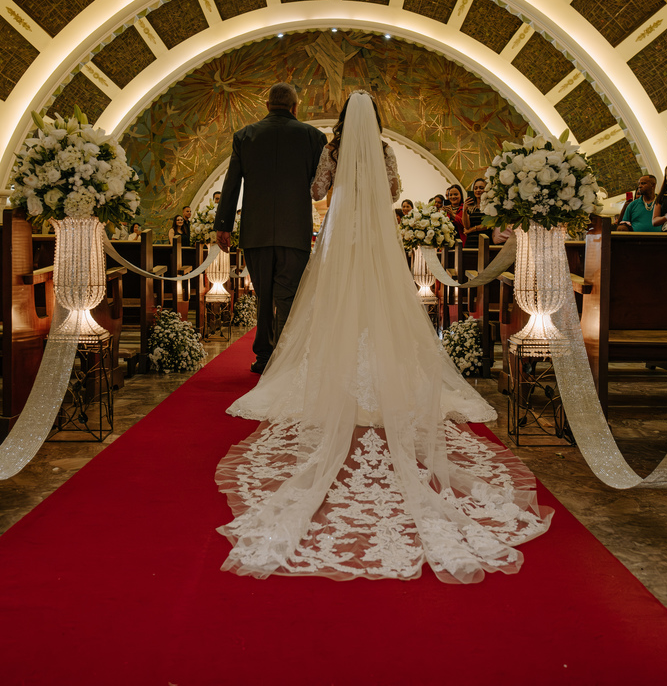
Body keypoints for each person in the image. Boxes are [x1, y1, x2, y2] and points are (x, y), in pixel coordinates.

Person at [217, 90, 552, 584]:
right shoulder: (385, 149)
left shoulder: (329, 148)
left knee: (334, 301)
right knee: (379, 299)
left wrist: (331, 180)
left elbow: (317, 192)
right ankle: (383, 363)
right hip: (377, 236)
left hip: (339, 236)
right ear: (375, 119)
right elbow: (393, 193)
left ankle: (318, 363)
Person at [214, 82, 326, 374]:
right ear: (295, 107)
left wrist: (224, 225)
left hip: (256, 231)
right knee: (288, 295)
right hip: (295, 230)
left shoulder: (245, 136)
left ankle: (264, 356)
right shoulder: (313, 137)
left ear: (267, 106)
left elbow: (232, 182)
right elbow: (320, 185)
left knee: (263, 296)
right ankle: (287, 358)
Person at [464, 177, 490, 247]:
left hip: (485, 241)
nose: (478, 190)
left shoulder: (490, 205)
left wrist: (472, 229)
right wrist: (465, 210)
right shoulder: (471, 207)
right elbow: (466, 227)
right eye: (475, 188)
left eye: (481, 188)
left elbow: (489, 224)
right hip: (470, 242)